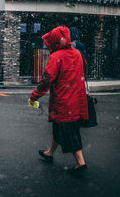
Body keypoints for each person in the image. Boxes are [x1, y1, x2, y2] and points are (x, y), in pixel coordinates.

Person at [29, 26, 89, 174]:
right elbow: (84, 70)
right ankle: (49, 152)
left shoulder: (56, 57)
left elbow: (46, 80)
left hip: (63, 101)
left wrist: (34, 96)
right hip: (76, 99)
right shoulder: (77, 53)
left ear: (55, 41)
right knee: (59, 128)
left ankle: (81, 164)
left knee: (69, 132)